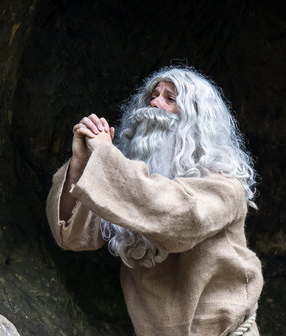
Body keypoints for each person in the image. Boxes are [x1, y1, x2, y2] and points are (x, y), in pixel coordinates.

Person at [46, 66, 264, 336]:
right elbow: (71, 234)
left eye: (170, 99)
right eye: (153, 95)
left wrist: (106, 157)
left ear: (197, 121)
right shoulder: (126, 190)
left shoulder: (225, 187)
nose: (154, 103)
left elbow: (178, 217)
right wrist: (82, 162)